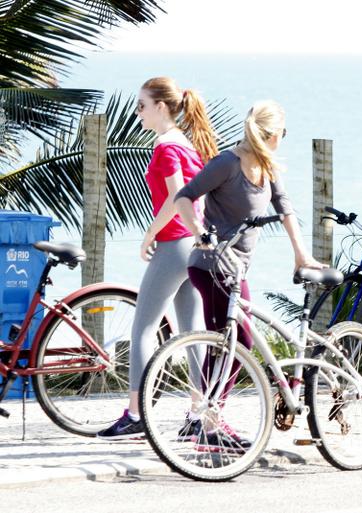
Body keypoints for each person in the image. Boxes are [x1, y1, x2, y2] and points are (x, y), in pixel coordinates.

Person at [174, 100, 325, 451]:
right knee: (233, 343)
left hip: (236, 267)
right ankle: (209, 425)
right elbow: (184, 196)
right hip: (211, 265)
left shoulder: (268, 167)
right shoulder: (227, 163)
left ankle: (199, 418)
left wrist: (301, 255)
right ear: (271, 134)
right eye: (282, 133)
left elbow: (285, 209)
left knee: (227, 343)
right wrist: (198, 231)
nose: (282, 139)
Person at [98, 77, 215, 439]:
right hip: (194, 246)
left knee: (143, 329)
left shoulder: (166, 146)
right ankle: (200, 414)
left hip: (174, 243)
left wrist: (150, 232)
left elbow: (177, 196)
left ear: (161, 107)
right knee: (193, 332)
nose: (138, 113)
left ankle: (136, 412)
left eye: (142, 105)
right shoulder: (186, 143)